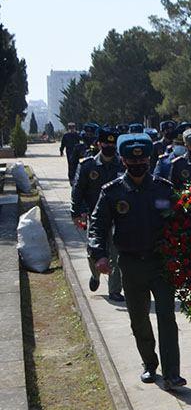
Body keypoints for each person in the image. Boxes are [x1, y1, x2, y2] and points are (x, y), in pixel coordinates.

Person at [88, 133, 185, 389]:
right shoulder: (113, 192)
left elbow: (177, 221)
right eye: (132, 162)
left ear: (150, 160)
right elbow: (97, 225)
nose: (139, 165)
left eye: (143, 161)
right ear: (123, 161)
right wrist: (99, 254)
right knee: (139, 319)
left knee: (166, 317)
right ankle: (150, 364)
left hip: (160, 263)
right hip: (130, 265)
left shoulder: (163, 189)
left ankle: (172, 373)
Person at [71, 126, 125, 301]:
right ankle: (95, 275)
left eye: (112, 144)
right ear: (99, 144)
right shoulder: (88, 165)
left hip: (118, 217)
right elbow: (78, 190)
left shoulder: (122, 165)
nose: (109, 147)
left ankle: (114, 289)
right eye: (105, 143)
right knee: (93, 251)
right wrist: (76, 212)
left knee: (116, 253)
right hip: (95, 216)